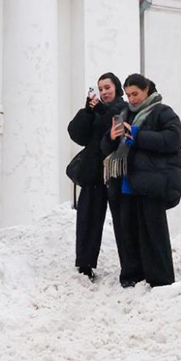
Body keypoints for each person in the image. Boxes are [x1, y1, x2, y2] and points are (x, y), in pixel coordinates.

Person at [101, 72, 181, 288]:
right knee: (126, 230)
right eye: (128, 95)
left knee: (152, 231)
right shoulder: (125, 113)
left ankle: (160, 279)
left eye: (135, 94)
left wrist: (138, 135)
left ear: (147, 90)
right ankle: (131, 276)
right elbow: (106, 148)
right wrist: (111, 136)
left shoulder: (162, 112)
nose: (131, 99)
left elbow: (174, 139)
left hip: (152, 182)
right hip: (127, 180)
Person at [67, 72, 123, 279]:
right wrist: (87, 112)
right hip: (93, 173)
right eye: (100, 89)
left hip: (116, 172)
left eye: (107, 87)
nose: (104, 92)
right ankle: (85, 264)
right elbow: (76, 134)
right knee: (88, 220)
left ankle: (129, 264)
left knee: (122, 220)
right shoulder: (97, 111)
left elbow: (116, 120)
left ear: (117, 88)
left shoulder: (122, 107)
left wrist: (99, 108)